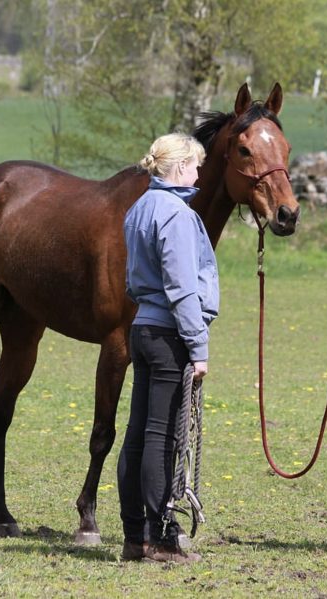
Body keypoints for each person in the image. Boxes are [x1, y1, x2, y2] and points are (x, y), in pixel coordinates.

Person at [117, 133, 219, 564]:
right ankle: (161, 539)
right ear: (178, 168)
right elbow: (181, 287)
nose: (198, 174)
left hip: (143, 329)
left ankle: (134, 535)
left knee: (139, 434)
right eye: (195, 166)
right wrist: (198, 346)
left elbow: (131, 279)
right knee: (162, 439)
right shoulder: (176, 214)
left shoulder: (139, 208)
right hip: (169, 336)